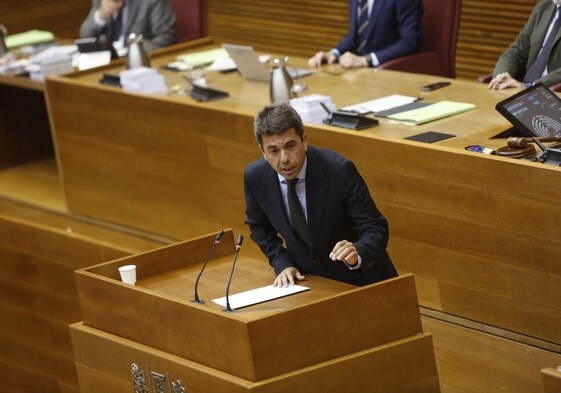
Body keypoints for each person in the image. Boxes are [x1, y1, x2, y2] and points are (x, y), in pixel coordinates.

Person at [243, 103, 397, 287]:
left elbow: (375, 226)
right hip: (310, 283)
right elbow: (260, 227)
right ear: (263, 151)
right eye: (274, 150)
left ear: (304, 140)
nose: (284, 158)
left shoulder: (339, 170)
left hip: (362, 280)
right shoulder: (255, 177)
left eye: (290, 146)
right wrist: (282, 263)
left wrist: (358, 251)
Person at [308, 0, 423, 69]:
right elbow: (354, 35)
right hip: (359, 73)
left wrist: (365, 60)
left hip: (391, 71)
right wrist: (334, 53)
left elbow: (410, 42)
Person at [489, 0, 561, 90]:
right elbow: (516, 51)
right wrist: (501, 77)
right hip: (522, 91)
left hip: (551, 93)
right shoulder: (544, 7)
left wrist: (529, 86)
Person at [79, 0, 176, 53]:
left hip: (140, 62)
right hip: (109, 62)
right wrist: (101, 16)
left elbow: (165, 38)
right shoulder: (101, 1)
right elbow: (85, 36)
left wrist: (134, 53)